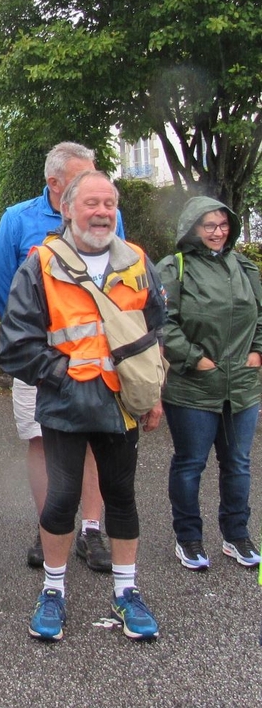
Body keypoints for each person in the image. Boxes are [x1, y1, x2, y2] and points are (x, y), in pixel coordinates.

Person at [0, 170, 166, 642]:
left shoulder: (136, 261)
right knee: (62, 498)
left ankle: (127, 592)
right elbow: (14, 346)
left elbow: (158, 330)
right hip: (66, 405)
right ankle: (52, 591)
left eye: (109, 204)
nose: (101, 212)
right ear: (67, 209)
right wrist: (64, 376)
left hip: (121, 403)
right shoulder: (42, 264)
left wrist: (154, 392)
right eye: (91, 203)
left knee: (122, 498)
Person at [0, 142, 125, 572]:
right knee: (39, 439)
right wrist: (31, 344)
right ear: (54, 183)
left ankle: (90, 530)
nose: (94, 188)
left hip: (95, 358)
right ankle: (51, 525)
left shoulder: (108, 217)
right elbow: (1, 282)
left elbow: (122, 281)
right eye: (83, 177)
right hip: (38, 361)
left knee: (92, 442)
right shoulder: (18, 219)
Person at [156, 196, 262, 570]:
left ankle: (237, 536)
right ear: (192, 229)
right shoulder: (174, 268)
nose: (218, 233)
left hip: (242, 386)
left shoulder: (243, 266)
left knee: (238, 463)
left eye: (223, 225)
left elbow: (260, 313)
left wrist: (257, 351)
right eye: (209, 226)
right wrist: (194, 359)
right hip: (193, 388)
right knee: (190, 464)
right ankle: (189, 539)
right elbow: (161, 322)